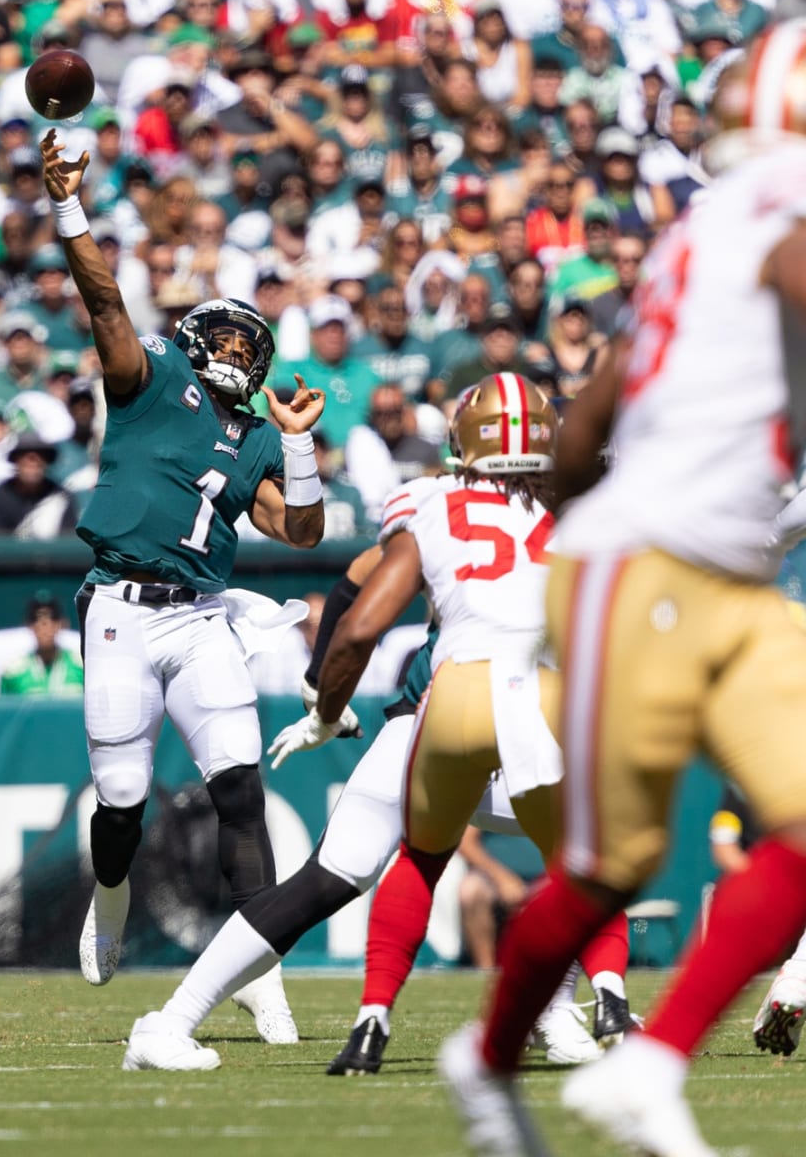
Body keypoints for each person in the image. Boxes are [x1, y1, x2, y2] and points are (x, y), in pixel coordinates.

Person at [441, 21, 806, 1157]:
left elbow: (578, 436)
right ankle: (489, 1058)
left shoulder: (696, 231)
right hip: (646, 567)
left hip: (722, 579)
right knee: (609, 868)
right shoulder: (774, 208)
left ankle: (647, 1066)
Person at [119, 376, 624, 1072]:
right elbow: (360, 584)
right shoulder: (544, 522)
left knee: (562, 846)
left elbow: (360, 593)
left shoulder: (457, 506)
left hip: (464, 719)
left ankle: (556, 1008)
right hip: (448, 716)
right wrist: (321, 686)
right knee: (346, 872)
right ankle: (169, 1020)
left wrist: (325, 698)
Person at [39, 127, 326, 1043]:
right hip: (122, 610)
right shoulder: (153, 380)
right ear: (198, 339)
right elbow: (104, 301)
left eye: (256, 341)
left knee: (239, 793)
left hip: (203, 619)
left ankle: (262, 980)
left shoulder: (258, 437)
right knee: (121, 804)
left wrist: (307, 443)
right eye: (229, 335)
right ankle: (113, 894)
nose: (241, 351)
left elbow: (302, 529)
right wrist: (68, 205)